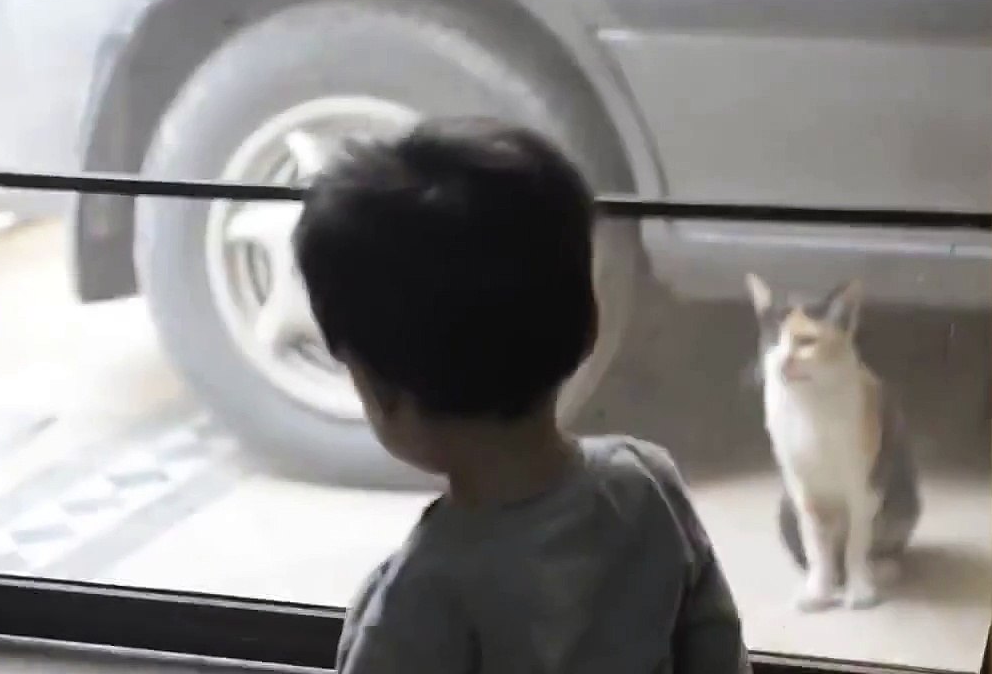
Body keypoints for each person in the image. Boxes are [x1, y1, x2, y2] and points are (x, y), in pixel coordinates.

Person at [293, 115, 751, 674]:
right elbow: (716, 648)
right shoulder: (647, 483)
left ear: (384, 394)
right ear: (588, 325)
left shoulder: (417, 600)